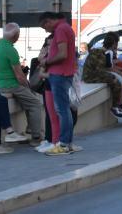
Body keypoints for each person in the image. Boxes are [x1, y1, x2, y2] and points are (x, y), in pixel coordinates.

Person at [0, 23, 44, 146]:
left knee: (28, 101)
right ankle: (36, 137)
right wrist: (29, 87)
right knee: (35, 103)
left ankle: (30, 128)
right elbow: (20, 76)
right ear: (16, 35)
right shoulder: (10, 50)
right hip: (10, 84)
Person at [39, 12, 78, 156]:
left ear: (49, 21)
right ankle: (68, 143)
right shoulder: (66, 27)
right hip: (64, 73)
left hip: (59, 74)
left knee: (62, 110)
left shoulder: (61, 29)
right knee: (64, 109)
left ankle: (63, 144)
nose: (46, 30)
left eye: (45, 26)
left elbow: (62, 54)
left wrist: (46, 61)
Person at [82, 33, 122, 118]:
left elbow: (107, 67)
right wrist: (116, 73)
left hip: (95, 73)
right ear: (113, 44)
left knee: (119, 78)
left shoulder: (106, 52)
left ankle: (120, 104)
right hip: (90, 76)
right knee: (115, 80)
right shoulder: (100, 52)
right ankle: (115, 106)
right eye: (116, 43)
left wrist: (118, 72)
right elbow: (100, 69)